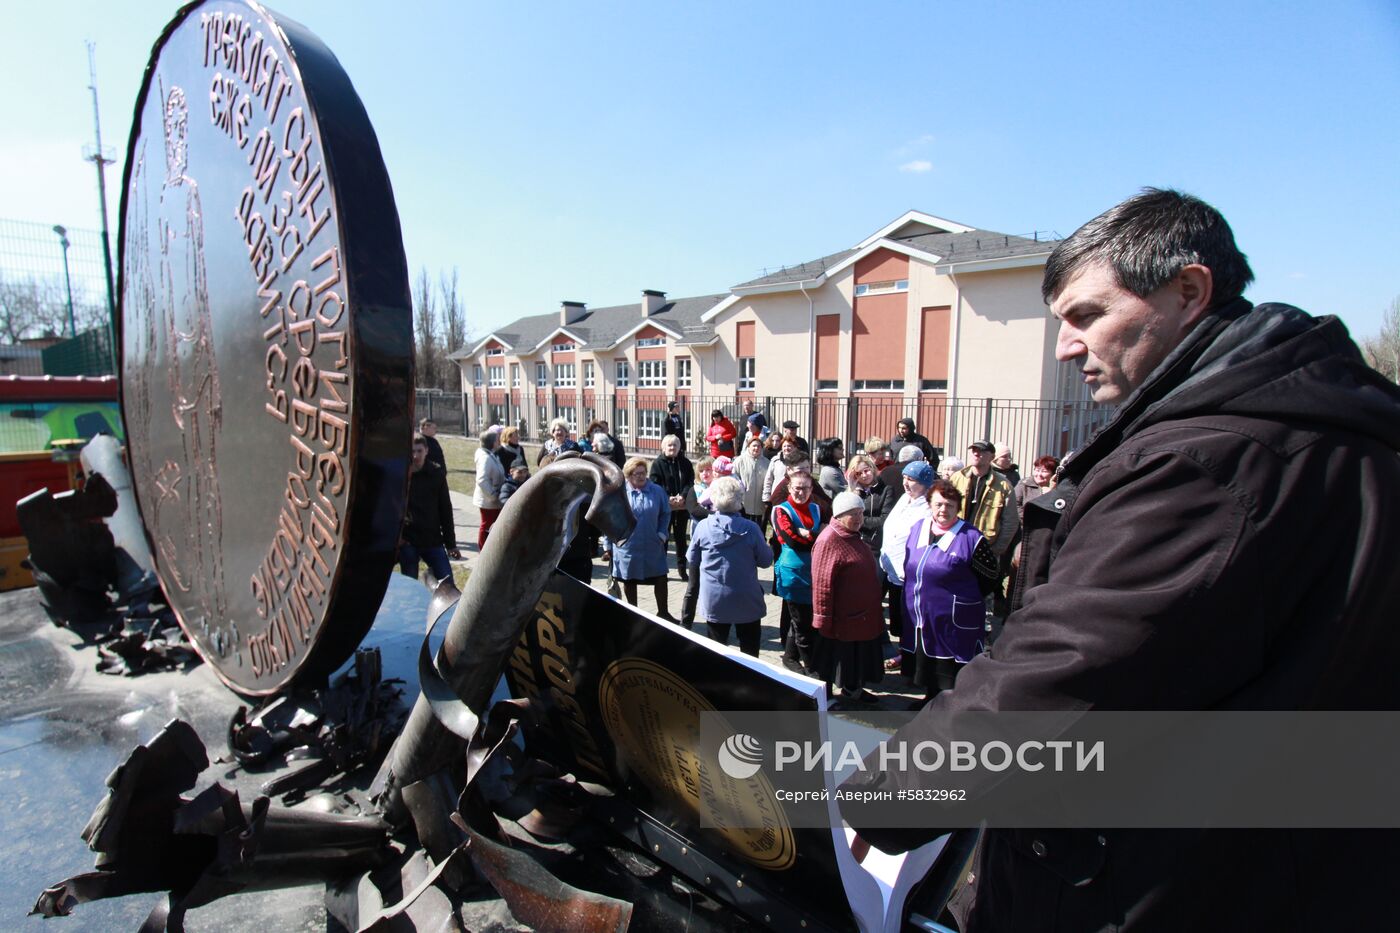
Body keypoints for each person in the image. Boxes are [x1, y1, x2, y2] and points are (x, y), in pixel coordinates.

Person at [845, 188, 1400, 930]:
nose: (1067, 346)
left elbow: (1056, 677)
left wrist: (886, 795)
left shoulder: (1206, 466)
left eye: (1086, 315)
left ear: (1190, 291)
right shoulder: (1332, 436)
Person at [902, 479, 996, 702]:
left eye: (949, 505)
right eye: (938, 504)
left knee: (951, 671)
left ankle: (951, 709)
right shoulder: (918, 529)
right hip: (920, 615)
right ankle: (929, 699)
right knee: (927, 664)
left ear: (957, 508)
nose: (943, 509)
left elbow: (990, 577)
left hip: (953, 618)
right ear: (930, 505)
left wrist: (963, 596)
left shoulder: (971, 538)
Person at [812, 490, 886, 705]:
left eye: (861, 513)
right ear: (840, 515)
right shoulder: (829, 540)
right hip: (840, 618)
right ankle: (823, 699)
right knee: (829, 659)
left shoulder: (853, 535)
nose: (860, 519)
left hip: (860, 616)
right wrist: (822, 617)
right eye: (854, 514)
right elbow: (822, 584)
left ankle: (852, 690)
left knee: (856, 657)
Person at [686, 476, 772, 655]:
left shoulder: (703, 527)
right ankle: (750, 682)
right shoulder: (751, 528)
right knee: (750, 653)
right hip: (746, 597)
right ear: (739, 499)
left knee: (716, 653)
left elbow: (692, 559)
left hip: (715, 598)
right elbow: (765, 561)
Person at [949, 440, 1019, 622]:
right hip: (956, 548)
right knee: (953, 593)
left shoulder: (1003, 486)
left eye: (981, 451)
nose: (976, 454)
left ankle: (983, 641)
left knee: (983, 597)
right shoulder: (957, 478)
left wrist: (995, 550)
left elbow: (1010, 523)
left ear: (991, 457)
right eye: (973, 450)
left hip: (986, 549)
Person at [878, 461, 933, 675]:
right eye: (905, 478)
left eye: (912, 480)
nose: (906, 483)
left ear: (925, 483)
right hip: (892, 571)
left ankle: (912, 665)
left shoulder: (928, 507)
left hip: (909, 575)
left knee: (911, 620)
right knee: (898, 620)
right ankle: (905, 654)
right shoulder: (905, 498)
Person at [610, 456, 675, 622]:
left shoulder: (657, 491)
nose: (640, 476)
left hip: (653, 543)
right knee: (629, 579)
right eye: (635, 473)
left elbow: (666, 513)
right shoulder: (620, 492)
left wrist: (662, 534)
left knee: (660, 577)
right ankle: (634, 614)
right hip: (628, 545)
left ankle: (663, 613)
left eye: (643, 473)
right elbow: (609, 518)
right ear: (628, 475)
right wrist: (609, 543)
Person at [772, 471, 822, 673]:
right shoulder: (781, 510)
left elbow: (827, 534)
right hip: (793, 574)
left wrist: (809, 534)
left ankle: (790, 656)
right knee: (803, 623)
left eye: (805, 488)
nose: (801, 492)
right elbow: (791, 540)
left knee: (802, 618)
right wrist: (814, 537)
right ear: (789, 488)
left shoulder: (816, 508)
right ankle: (812, 670)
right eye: (797, 488)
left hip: (814, 572)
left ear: (811, 489)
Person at [401, 434, 461, 581]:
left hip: (432, 539)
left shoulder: (436, 474)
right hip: (409, 540)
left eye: (419, 451)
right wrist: (399, 539)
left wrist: (451, 544)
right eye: (412, 451)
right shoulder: (402, 475)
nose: (415, 456)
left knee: (447, 581)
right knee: (410, 584)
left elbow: (445, 509)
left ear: (426, 450)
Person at [648, 434, 695, 581]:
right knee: (663, 537)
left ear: (679, 447)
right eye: (669, 445)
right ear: (663, 447)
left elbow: (690, 482)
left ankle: (682, 570)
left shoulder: (685, 463)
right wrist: (667, 497)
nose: (672, 448)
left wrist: (683, 495)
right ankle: (661, 570)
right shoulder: (657, 463)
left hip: (681, 507)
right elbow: (655, 483)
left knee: (681, 539)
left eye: (675, 445)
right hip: (664, 507)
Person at [847, 453, 897, 559]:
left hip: (874, 545)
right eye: (858, 473)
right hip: (852, 544)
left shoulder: (886, 490)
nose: (864, 475)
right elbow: (844, 518)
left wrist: (859, 521)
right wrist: (852, 490)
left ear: (872, 468)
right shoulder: (851, 493)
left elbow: (884, 520)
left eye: (866, 470)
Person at [472, 429, 506, 550]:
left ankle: (490, 548)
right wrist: (492, 494)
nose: (499, 442)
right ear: (492, 442)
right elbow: (481, 480)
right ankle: (483, 549)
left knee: (490, 524)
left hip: (492, 499)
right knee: (487, 525)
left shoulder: (490, 454)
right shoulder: (485, 458)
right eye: (498, 440)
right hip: (488, 500)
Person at [734, 436, 770, 531]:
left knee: (758, 529)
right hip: (744, 502)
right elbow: (734, 478)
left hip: (760, 503)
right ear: (748, 447)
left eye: (759, 446)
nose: (756, 448)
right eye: (754, 446)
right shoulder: (739, 461)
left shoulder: (767, 463)